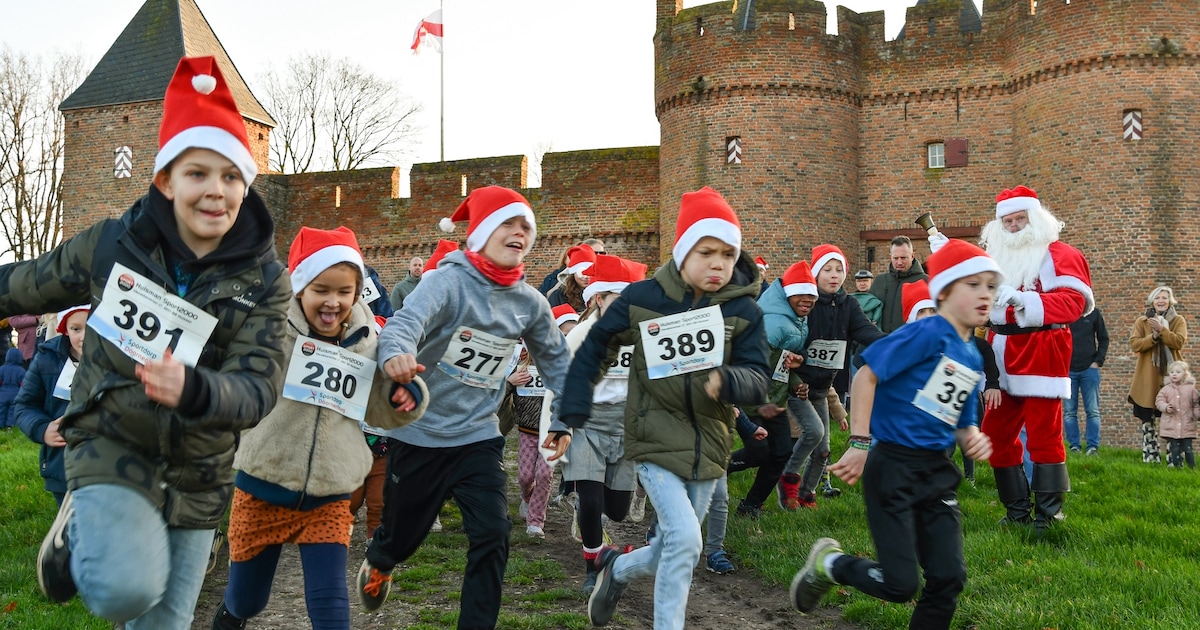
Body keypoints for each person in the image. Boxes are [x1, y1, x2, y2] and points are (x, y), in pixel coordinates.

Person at [0, 56, 292, 628]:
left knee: (165, 624)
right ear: (165, 180)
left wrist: (195, 388)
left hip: (198, 472)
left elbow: (259, 387)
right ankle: (82, 523)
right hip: (112, 444)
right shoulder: (113, 245)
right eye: (198, 174)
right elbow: (25, 282)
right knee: (123, 592)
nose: (216, 191)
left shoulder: (265, 280)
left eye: (232, 176)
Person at [357, 186, 573, 630]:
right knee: (403, 535)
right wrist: (395, 355)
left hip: (477, 435)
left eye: (525, 227)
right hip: (418, 432)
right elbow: (404, 324)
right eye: (507, 224)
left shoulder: (530, 303)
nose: (518, 233)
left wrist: (566, 418)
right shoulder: (446, 282)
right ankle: (381, 560)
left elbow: (558, 365)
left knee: (493, 534)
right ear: (480, 234)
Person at [557, 186, 769, 629]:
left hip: (709, 444)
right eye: (706, 251)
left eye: (728, 254)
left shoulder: (745, 308)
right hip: (652, 438)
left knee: (677, 544)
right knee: (687, 540)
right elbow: (593, 348)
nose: (718, 263)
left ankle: (617, 570)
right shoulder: (642, 299)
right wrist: (570, 413)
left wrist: (728, 380)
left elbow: (757, 376)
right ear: (682, 250)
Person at [212, 226, 425, 629]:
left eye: (345, 291)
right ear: (299, 289)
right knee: (246, 601)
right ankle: (227, 616)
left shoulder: (368, 340)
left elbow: (380, 411)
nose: (333, 302)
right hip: (263, 486)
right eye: (321, 290)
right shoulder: (269, 330)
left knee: (331, 608)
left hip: (329, 494)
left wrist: (403, 395)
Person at [790, 238, 999, 629]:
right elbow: (867, 375)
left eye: (991, 285)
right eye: (974, 285)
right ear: (947, 291)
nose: (985, 294)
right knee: (901, 585)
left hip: (937, 473)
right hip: (894, 468)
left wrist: (970, 433)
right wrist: (860, 443)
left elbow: (956, 413)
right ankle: (830, 564)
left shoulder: (970, 353)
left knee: (948, 579)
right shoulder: (926, 333)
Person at [979, 185, 1093, 531]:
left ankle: (1048, 516)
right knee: (995, 432)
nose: (1013, 226)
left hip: (1042, 349)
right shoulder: (994, 257)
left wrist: (1023, 301)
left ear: (1035, 217)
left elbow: (1074, 303)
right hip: (1000, 350)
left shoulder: (1059, 253)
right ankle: (1016, 513)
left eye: (1019, 218)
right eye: (1007, 220)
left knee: (1044, 433)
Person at [542, 254, 648, 592]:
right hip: (586, 420)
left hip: (625, 422)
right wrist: (559, 427)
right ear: (599, 299)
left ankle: (593, 508)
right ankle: (593, 566)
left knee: (616, 509)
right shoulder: (580, 337)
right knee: (591, 498)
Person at [778, 245, 884, 510]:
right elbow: (791, 339)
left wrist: (896, 343)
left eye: (839, 270)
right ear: (816, 274)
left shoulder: (849, 305)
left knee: (824, 449)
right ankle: (788, 479)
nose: (834, 275)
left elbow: (866, 332)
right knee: (813, 432)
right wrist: (799, 360)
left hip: (824, 388)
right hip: (798, 384)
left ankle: (807, 493)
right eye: (827, 270)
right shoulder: (806, 303)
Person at [14, 306, 89, 505]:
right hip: (62, 467)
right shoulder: (46, 358)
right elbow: (23, 405)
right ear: (64, 329)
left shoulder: (120, 361)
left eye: (92, 327)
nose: (84, 337)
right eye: (76, 329)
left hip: (111, 468)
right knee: (72, 531)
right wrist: (42, 428)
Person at [1129, 286, 1186, 464]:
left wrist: (1162, 330)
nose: (1161, 301)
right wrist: (1152, 337)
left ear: (1170, 301)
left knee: (1172, 419)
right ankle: (1150, 457)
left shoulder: (1178, 320)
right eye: (1157, 298)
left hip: (1170, 376)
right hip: (1147, 376)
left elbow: (1178, 342)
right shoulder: (1142, 321)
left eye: (1164, 298)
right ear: (1152, 301)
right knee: (1148, 420)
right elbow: (1135, 344)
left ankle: (1174, 460)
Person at [1065, 306, 1109, 455]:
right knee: (1070, 412)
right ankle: (1074, 446)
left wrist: (1098, 361)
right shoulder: (1065, 312)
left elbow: (1104, 338)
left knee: (1093, 411)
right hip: (1068, 371)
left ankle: (1092, 447)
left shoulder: (1094, 313)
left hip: (1089, 370)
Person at [868, 236, 928, 333]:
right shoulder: (880, 281)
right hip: (882, 343)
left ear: (912, 256)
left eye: (903, 258)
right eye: (895, 258)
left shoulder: (925, 282)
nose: (899, 262)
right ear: (890, 256)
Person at [1155, 360, 1199, 469]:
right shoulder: (1166, 389)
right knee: (1174, 448)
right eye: (1172, 372)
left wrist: (1197, 415)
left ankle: (1191, 467)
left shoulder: (1191, 389)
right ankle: (1177, 467)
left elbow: (1196, 404)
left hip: (1187, 424)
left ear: (1185, 374)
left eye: (1178, 372)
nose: (1174, 374)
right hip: (1172, 425)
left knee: (1188, 448)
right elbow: (1159, 401)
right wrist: (1165, 407)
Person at [539, 238, 607, 296]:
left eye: (602, 253)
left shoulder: (607, 278)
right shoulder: (555, 280)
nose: (599, 256)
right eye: (594, 253)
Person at [547, 244, 596, 313]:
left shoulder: (601, 294)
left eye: (590, 272)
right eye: (581, 272)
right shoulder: (559, 296)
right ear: (573, 273)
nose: (586, 277)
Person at [0, 347, 25, 428]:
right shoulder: (21, 371)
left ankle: (1, 425)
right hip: (15, 394)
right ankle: (10, 426)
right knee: (12, 411)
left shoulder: (2, 369)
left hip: (2, 394)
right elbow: (23, 385)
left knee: (1, 409)